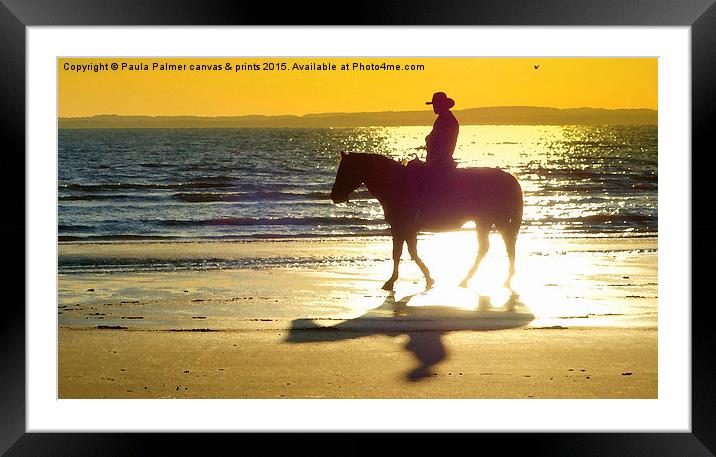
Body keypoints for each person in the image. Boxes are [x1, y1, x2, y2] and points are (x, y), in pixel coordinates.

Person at [424, 91, 459, 169]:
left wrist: (432, 163)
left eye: (435, 104)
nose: (434, 107)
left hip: (440, 164)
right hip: (438, 162)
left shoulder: (446, 120)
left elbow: (444, 146)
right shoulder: (444, 119)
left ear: (441, 105)